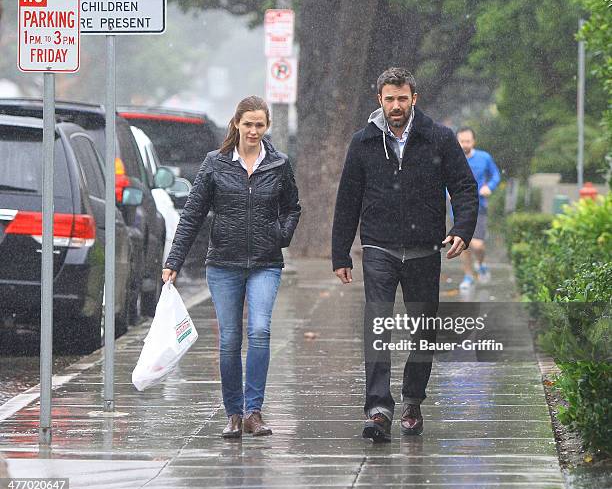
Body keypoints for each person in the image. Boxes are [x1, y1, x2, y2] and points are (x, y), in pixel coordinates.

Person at [331, 67, 478, 442]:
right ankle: (378, 409)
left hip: (425, 248)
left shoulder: (439, 138)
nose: (396, 105)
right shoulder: (363, 142)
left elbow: (464, 187)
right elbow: (347, 199)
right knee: (378, 327)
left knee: (422, 332)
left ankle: (412, 401)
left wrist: (461, 229)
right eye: (389, 98)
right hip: (378, 246)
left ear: (415, 98)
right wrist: (341, 253)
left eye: (402, 98)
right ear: (379, 99)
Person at [162, 96, 301, 439]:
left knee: (259, 331)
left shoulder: (279, 164)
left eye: (259, 125)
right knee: (229, 339)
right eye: (248, 124)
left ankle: (254, 411)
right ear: (236, 124)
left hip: (265, 263)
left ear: (266, 126)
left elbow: (292, 207)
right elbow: (192, 214)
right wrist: (173, 262)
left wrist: (281, 235)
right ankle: (234, 413)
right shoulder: (216, 163)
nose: (253, 131)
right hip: (223, 263)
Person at [455, 127, 501, 291]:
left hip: (479, 206)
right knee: (462, 244)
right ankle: (468, 276)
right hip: (459, 208)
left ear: (473, 141)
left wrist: (490, 186)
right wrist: (448, 193)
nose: (465, 144)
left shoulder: (484, 157)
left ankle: (481, 263)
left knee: (478, 245)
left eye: (468, 141)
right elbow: (444, 179)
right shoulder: (452, 159)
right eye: (462, 141)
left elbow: (496, 175)